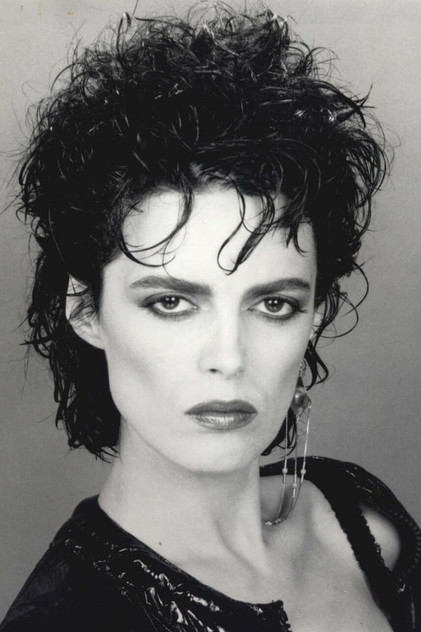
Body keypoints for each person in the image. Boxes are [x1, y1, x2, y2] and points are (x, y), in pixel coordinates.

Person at [1, 4, 420, 631]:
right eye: (171, 302)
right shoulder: (66, 618)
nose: (229, 356)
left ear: (317, 313)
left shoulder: (362, 520)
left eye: (273, 304)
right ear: (87, 309)